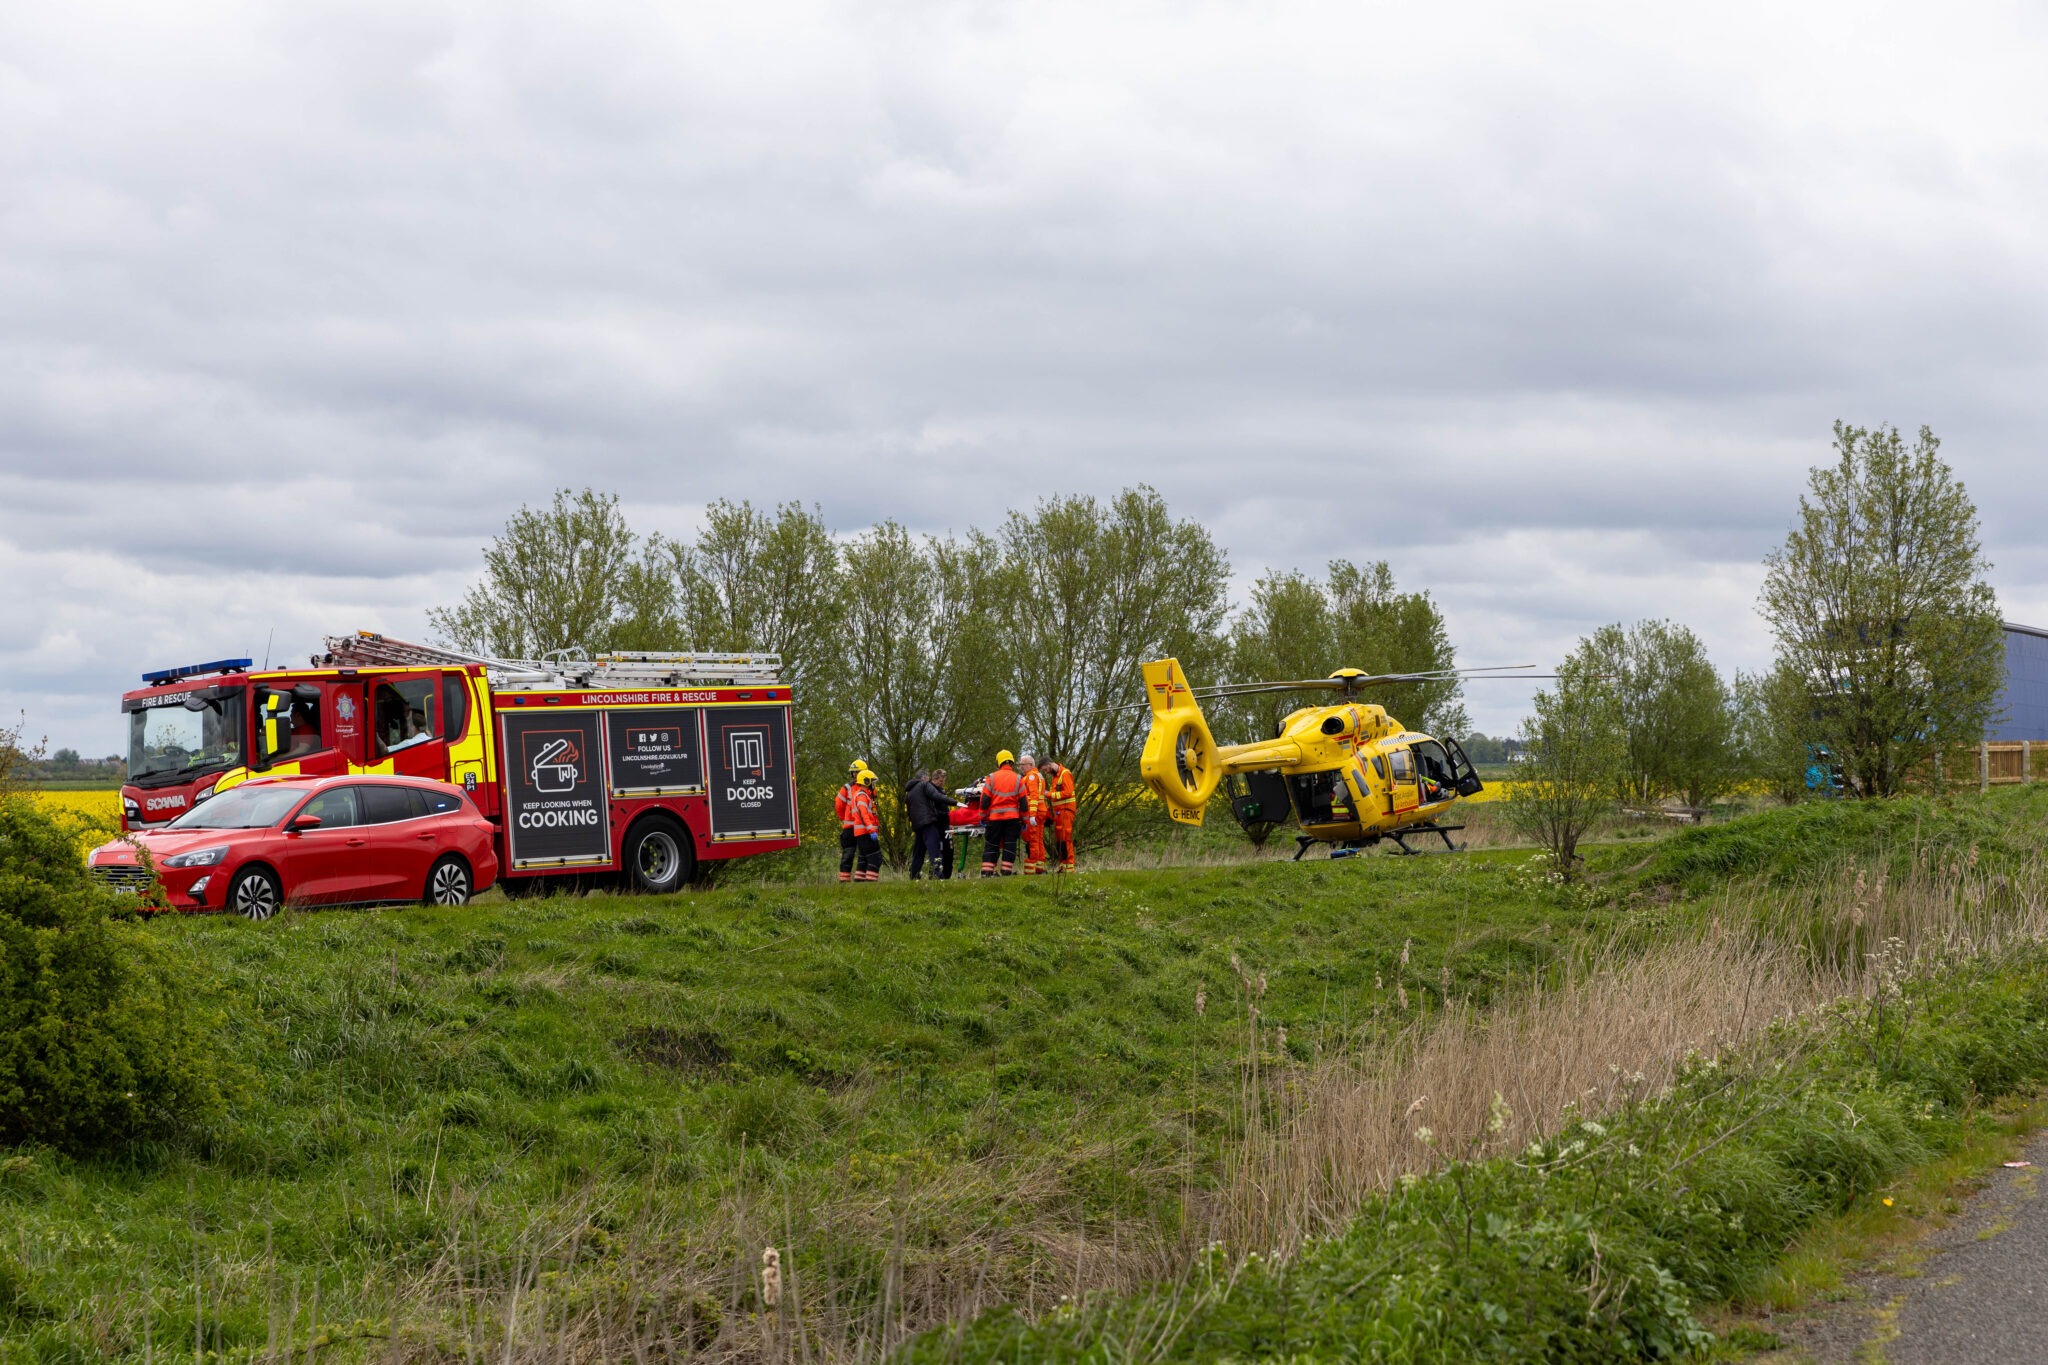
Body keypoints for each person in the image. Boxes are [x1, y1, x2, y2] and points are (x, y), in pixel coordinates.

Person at [979, 749, 1024, 876]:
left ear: (999, 762)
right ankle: (1006, 871)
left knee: (992, 844)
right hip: (1012, 819)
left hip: (995, 819)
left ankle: (986, 872)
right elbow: (1024, 803)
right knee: (1010, 844)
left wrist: (982, 817)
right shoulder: (1018, 778)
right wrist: (1025, 820)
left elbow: (985, 800)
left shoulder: (991, 778)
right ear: (1012, 762)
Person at [905, 768, 956, 880]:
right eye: (928, 777)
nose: (929, 780)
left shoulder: (909, 792)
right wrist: (955, 802)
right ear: (923, 778)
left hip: (917, 825)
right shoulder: (924, 785)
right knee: (935, 850)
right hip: (928, 822)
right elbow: (936, 796)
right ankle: (936, 875)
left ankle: (914, 875)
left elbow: (909, 812)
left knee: (918, 852)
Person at [835, 760, 869, 884]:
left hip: (863, 827)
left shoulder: (869, 787)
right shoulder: (847, 788)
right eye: (854, 772)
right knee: (849, 853)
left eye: (857, 772)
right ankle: (844, 880)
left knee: (863, 854)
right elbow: (839, 805)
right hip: (850, 827)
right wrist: (844, 819)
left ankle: (860, 880)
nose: (855, 775)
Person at [849, 770, 883, 882]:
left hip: (861, 833)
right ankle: (871, 883)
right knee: (875, 858)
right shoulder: (862, 796)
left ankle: (860, 883)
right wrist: (871, 830)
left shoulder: (860, 795)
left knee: (863, 859)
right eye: (872, 782)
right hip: (866, 833)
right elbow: (864, 815)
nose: (873, 785)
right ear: (866, 781)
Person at [1018, 754, 1049, 874]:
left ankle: (1031, 868)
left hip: (1035, 812)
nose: (1021, 767)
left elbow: (1034, 796)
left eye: (1023, 765)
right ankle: (1039, 866)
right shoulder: (1038, 775)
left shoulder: (1031, 777)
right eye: (1020, 764)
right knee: (1039, 839)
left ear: (1031, 765)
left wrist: (1031, 815)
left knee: (1033, 840)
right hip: (1041, 811)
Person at [1044, 759, 1077, 871]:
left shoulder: (1065, 773)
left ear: (1049, 764)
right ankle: (1064, 864)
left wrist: (1049, 794)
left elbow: (1067, 792)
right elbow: (1056, 798)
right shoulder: (1055, 778)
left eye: (1046, 769)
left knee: (1065, 838)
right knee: (1059, 840)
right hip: (1059, 812)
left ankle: (1069, 866)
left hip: (1066, 810)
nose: (1046, 772)